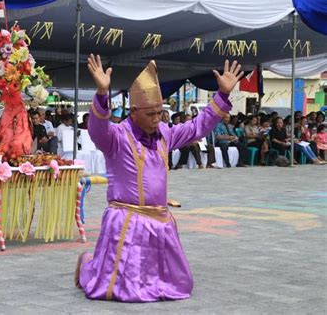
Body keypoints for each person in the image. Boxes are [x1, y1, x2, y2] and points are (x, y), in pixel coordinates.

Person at [75, 55, 243, 302]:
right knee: (126, 291)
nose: (156, 120)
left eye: (159, 114)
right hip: (127, 219)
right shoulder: (117, 137)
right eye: (150, 114)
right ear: (133, 112)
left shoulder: (165, 133)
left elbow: (197, 127)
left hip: (160, 220)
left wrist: (222, 95)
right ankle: (88, 264)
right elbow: (98, 130)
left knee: (182, 285)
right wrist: (102, 93)